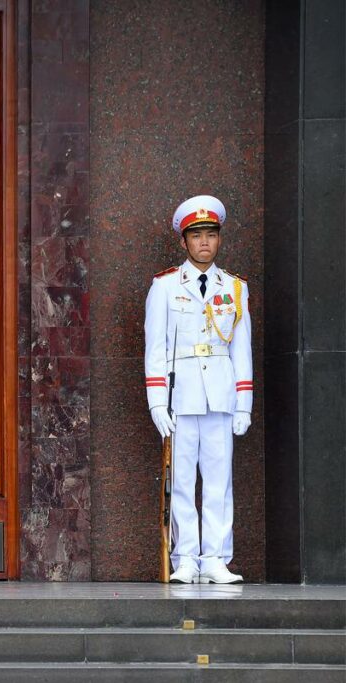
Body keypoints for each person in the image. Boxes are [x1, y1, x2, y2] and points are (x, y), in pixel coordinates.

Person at [144, 194, 252, 584]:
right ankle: (186, 557)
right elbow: (155, 347)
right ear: (183, 241)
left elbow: (242, 348)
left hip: (221, 394)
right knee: (183, 479)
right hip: (182, 396)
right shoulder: (166, 286)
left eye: (211, 234)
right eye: (196, 235)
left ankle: (216, 558)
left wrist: (244, 402)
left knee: (219, 480)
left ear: (219, 239)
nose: (204, 242)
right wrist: (158, 401)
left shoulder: (235, 288)